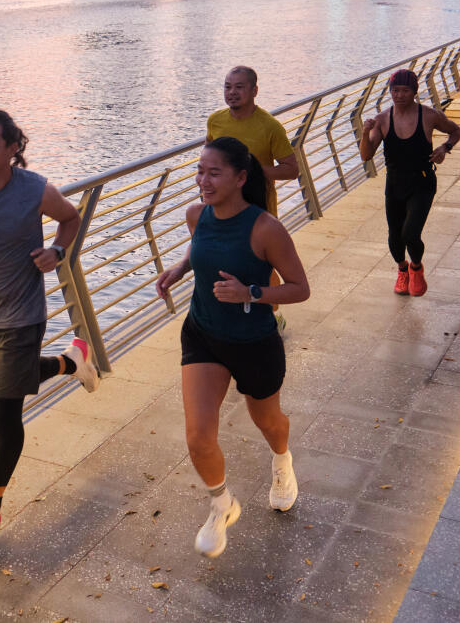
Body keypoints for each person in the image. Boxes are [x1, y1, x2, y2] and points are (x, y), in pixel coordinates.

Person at [0, 109, 100, 557]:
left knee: (5, 412)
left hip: (24, 316)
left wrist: (58, 252)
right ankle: (72, 362)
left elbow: (71, 217)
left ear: (12, 149)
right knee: (17, 382)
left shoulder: (34, 189)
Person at [154, 137, 311, 559]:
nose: (203, 180)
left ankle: (282, 462)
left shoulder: (265, 229)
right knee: (197, 436)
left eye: (213, 172)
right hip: (203, 333)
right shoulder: (196, 215)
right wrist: (180, 266)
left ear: (241, 178)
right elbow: (200, 244)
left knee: (268, 421)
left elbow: (300, 288)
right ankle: (222, 505)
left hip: (254, 343)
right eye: (199, 171)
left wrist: (251, 292)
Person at [206, 66, 300, 333]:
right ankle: (240, 314)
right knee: (226, 263)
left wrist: (252, 171)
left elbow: (292, 169)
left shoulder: (269, 126)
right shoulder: (215, 121)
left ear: (254, 91)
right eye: (227, 87)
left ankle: (270, 312)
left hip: (258, 210)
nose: (232, 93)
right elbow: (208, 157)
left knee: (257, 264)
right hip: (221, 209)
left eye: (239, 87)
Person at [358, 69, 460, 296]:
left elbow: (456, 131)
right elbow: (366, 155)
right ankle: (402, 270)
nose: (399, 95)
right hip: (395, 185)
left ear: (414, 92)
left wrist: (445, 148)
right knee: (394, 236)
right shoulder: (382, 120)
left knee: (410, 234)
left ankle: (416, 267)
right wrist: (365, 133)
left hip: (422, 183)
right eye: (395, 90)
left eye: (405, 91)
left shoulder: (429, 115)